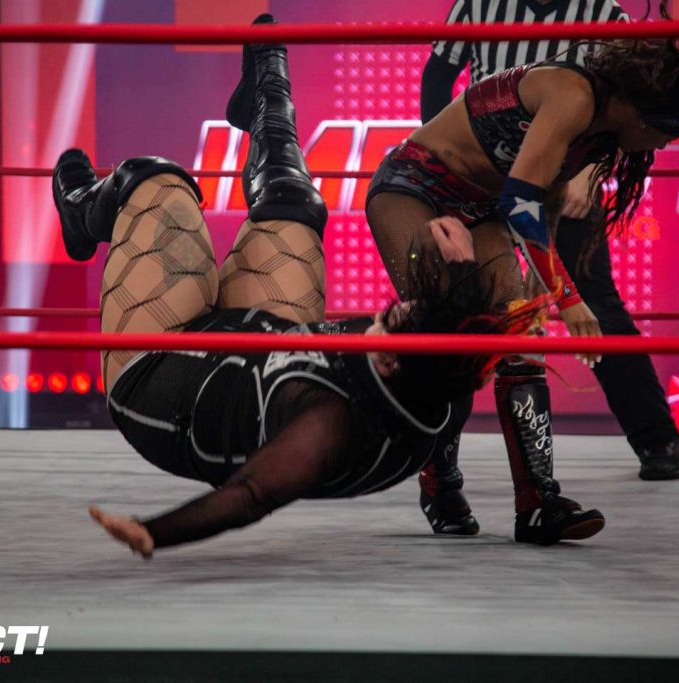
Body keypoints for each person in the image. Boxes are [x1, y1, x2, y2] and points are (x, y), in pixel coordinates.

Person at [58, 17, 578, 557]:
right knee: (294, 203)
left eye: (389, 321)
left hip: (159, 375)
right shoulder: (437, 389)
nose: (384, 313)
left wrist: (152, 533)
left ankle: (79, 214)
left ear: (389, 362)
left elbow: (249, 495)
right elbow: (457, 341)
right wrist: (447, 261)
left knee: (157, 182)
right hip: (255, 346)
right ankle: (266, 96)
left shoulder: (324, 426)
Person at [366, 0, 679, 543]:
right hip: (415, 187)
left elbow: (541, 207)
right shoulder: (574, 95)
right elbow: (520, 203)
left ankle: (537, 501)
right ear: (641, 114)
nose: (662, 146)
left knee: (522, 336)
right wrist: (568, 297)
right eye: (663, 133)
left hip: (483, 206)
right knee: (449, 335)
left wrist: (543, 292)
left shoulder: (601, 133)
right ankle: (440, 484)